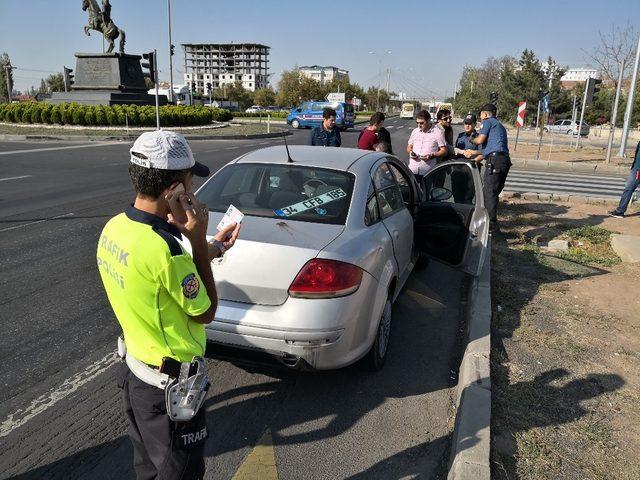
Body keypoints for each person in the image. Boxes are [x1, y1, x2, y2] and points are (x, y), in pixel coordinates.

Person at [97, 130, 240, 479]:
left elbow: (162, 269)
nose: (192, 189)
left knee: (147, 470)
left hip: (136, 377)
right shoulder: (169, 248)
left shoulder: (114, 229)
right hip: (169, 394)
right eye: (190, 180)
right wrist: (195, 235)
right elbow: (205, 311)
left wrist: (212, 246)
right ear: (174, 190)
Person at [470, 103, 511, 232]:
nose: (480, 118)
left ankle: (490, 225)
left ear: (486, 114)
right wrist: (474, 158)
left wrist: (472, 139)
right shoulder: (500, 126)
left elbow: (480, 140)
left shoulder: (488, 122)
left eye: (481, 115)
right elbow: (489, 150)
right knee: (493, 192)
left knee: (488, 192)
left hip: (495, 161)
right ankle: (491, 222)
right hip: (503, 160)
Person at [406, 110, 448, 182]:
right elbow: (409, 146)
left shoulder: (438, 132)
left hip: (428, 172)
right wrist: (410, 152)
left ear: (428, 120)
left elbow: (444, 150)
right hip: (412, 170)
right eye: (417, 123)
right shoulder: (415, 131)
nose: (419, 125)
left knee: (425, 192)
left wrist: (432, 156)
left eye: (422, 123)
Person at [609, 140, 640, 218]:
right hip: (636, 167)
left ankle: (620, 211)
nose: (638, 127)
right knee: (628, 189)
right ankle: (620, 211)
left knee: (629, 189)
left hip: (638, 169)